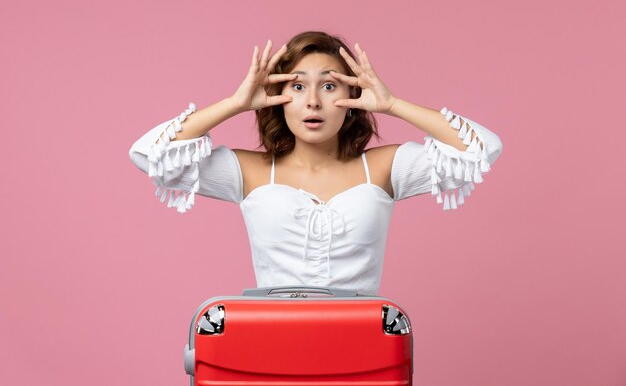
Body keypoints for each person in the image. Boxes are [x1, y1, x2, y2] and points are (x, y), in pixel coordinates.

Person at [129, 31, 503, 295]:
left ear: (352, 95)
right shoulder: (251, 172)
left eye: (328, 86)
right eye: (297, 86)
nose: (312, 102)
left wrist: (392, 104)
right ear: (278, 96)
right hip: (272, 350)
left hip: (364, 351)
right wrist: (235, 103)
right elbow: (149, 155)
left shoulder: (385, 167)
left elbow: (482, 149)